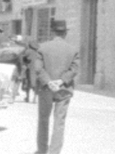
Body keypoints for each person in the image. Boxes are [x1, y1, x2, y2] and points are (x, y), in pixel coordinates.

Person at [33, 20, 79, 154]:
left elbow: (37, 68)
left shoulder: (42, 47)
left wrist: (48, 82)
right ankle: (54, 152)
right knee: (59, 122)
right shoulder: (72, 49)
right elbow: (74, 69)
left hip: (46, 89)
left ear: (52, 32)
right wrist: (61, 81)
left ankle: (42, 150)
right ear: (65, 33)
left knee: (43, 119)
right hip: (63, 89)